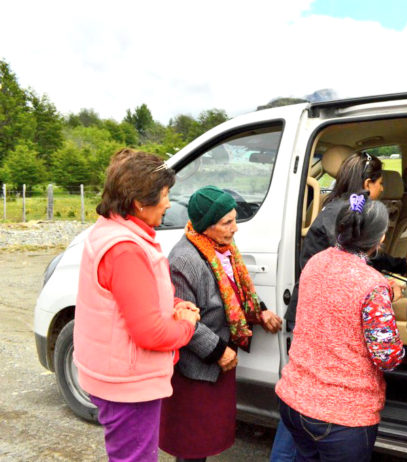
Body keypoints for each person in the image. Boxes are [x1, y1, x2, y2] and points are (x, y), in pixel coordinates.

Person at [271, 151, 407, 461]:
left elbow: (339, 287)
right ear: (379, 239)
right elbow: (387, 357)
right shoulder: (371, 285)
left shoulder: (319, 262)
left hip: (296, 401)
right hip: (342, 419)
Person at [73, 148, 200, 462]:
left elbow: (133, 298)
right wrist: (187, 324)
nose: (169, 203)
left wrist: (175, 303)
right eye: (165, 195)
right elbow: (150, 333)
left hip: (115, 373)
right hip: (127, 383)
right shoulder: (126, 249)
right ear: (139, 202)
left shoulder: (111, 230)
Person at [159, 185, 283, 462]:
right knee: (192, 441)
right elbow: (184, 320)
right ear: (206, 225)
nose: (235, 228)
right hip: (198, 367)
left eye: (234, 219)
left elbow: (235, 289)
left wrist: (259, 312)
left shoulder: (222, 247)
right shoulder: (183, 260)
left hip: (220, 361)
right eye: (227, 222)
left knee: (208, 436)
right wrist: (218, 351)